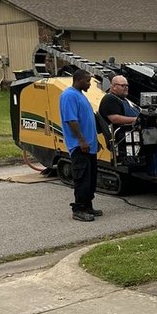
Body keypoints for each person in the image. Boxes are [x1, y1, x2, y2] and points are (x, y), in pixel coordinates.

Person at [99, 75, 157, 175]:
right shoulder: (110, 99)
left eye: (127, 85)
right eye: (122, 85)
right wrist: (137, 119)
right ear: (113, 87)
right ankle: (155, 171)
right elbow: (114, 118)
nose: (126, 87)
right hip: (124, 133)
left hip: (135, 129)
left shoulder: (124, 99)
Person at [59, 69, 101, 222]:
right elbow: (71, 120)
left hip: (89, 146)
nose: (90, 84)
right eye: (87, 81)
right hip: (79, 146)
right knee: (82, 178)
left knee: (91, 179)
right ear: (78, 80)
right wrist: (82, 141)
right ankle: (79, 209)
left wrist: (94, 141)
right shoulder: (69, 96)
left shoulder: (80, 95)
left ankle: (88, 205)